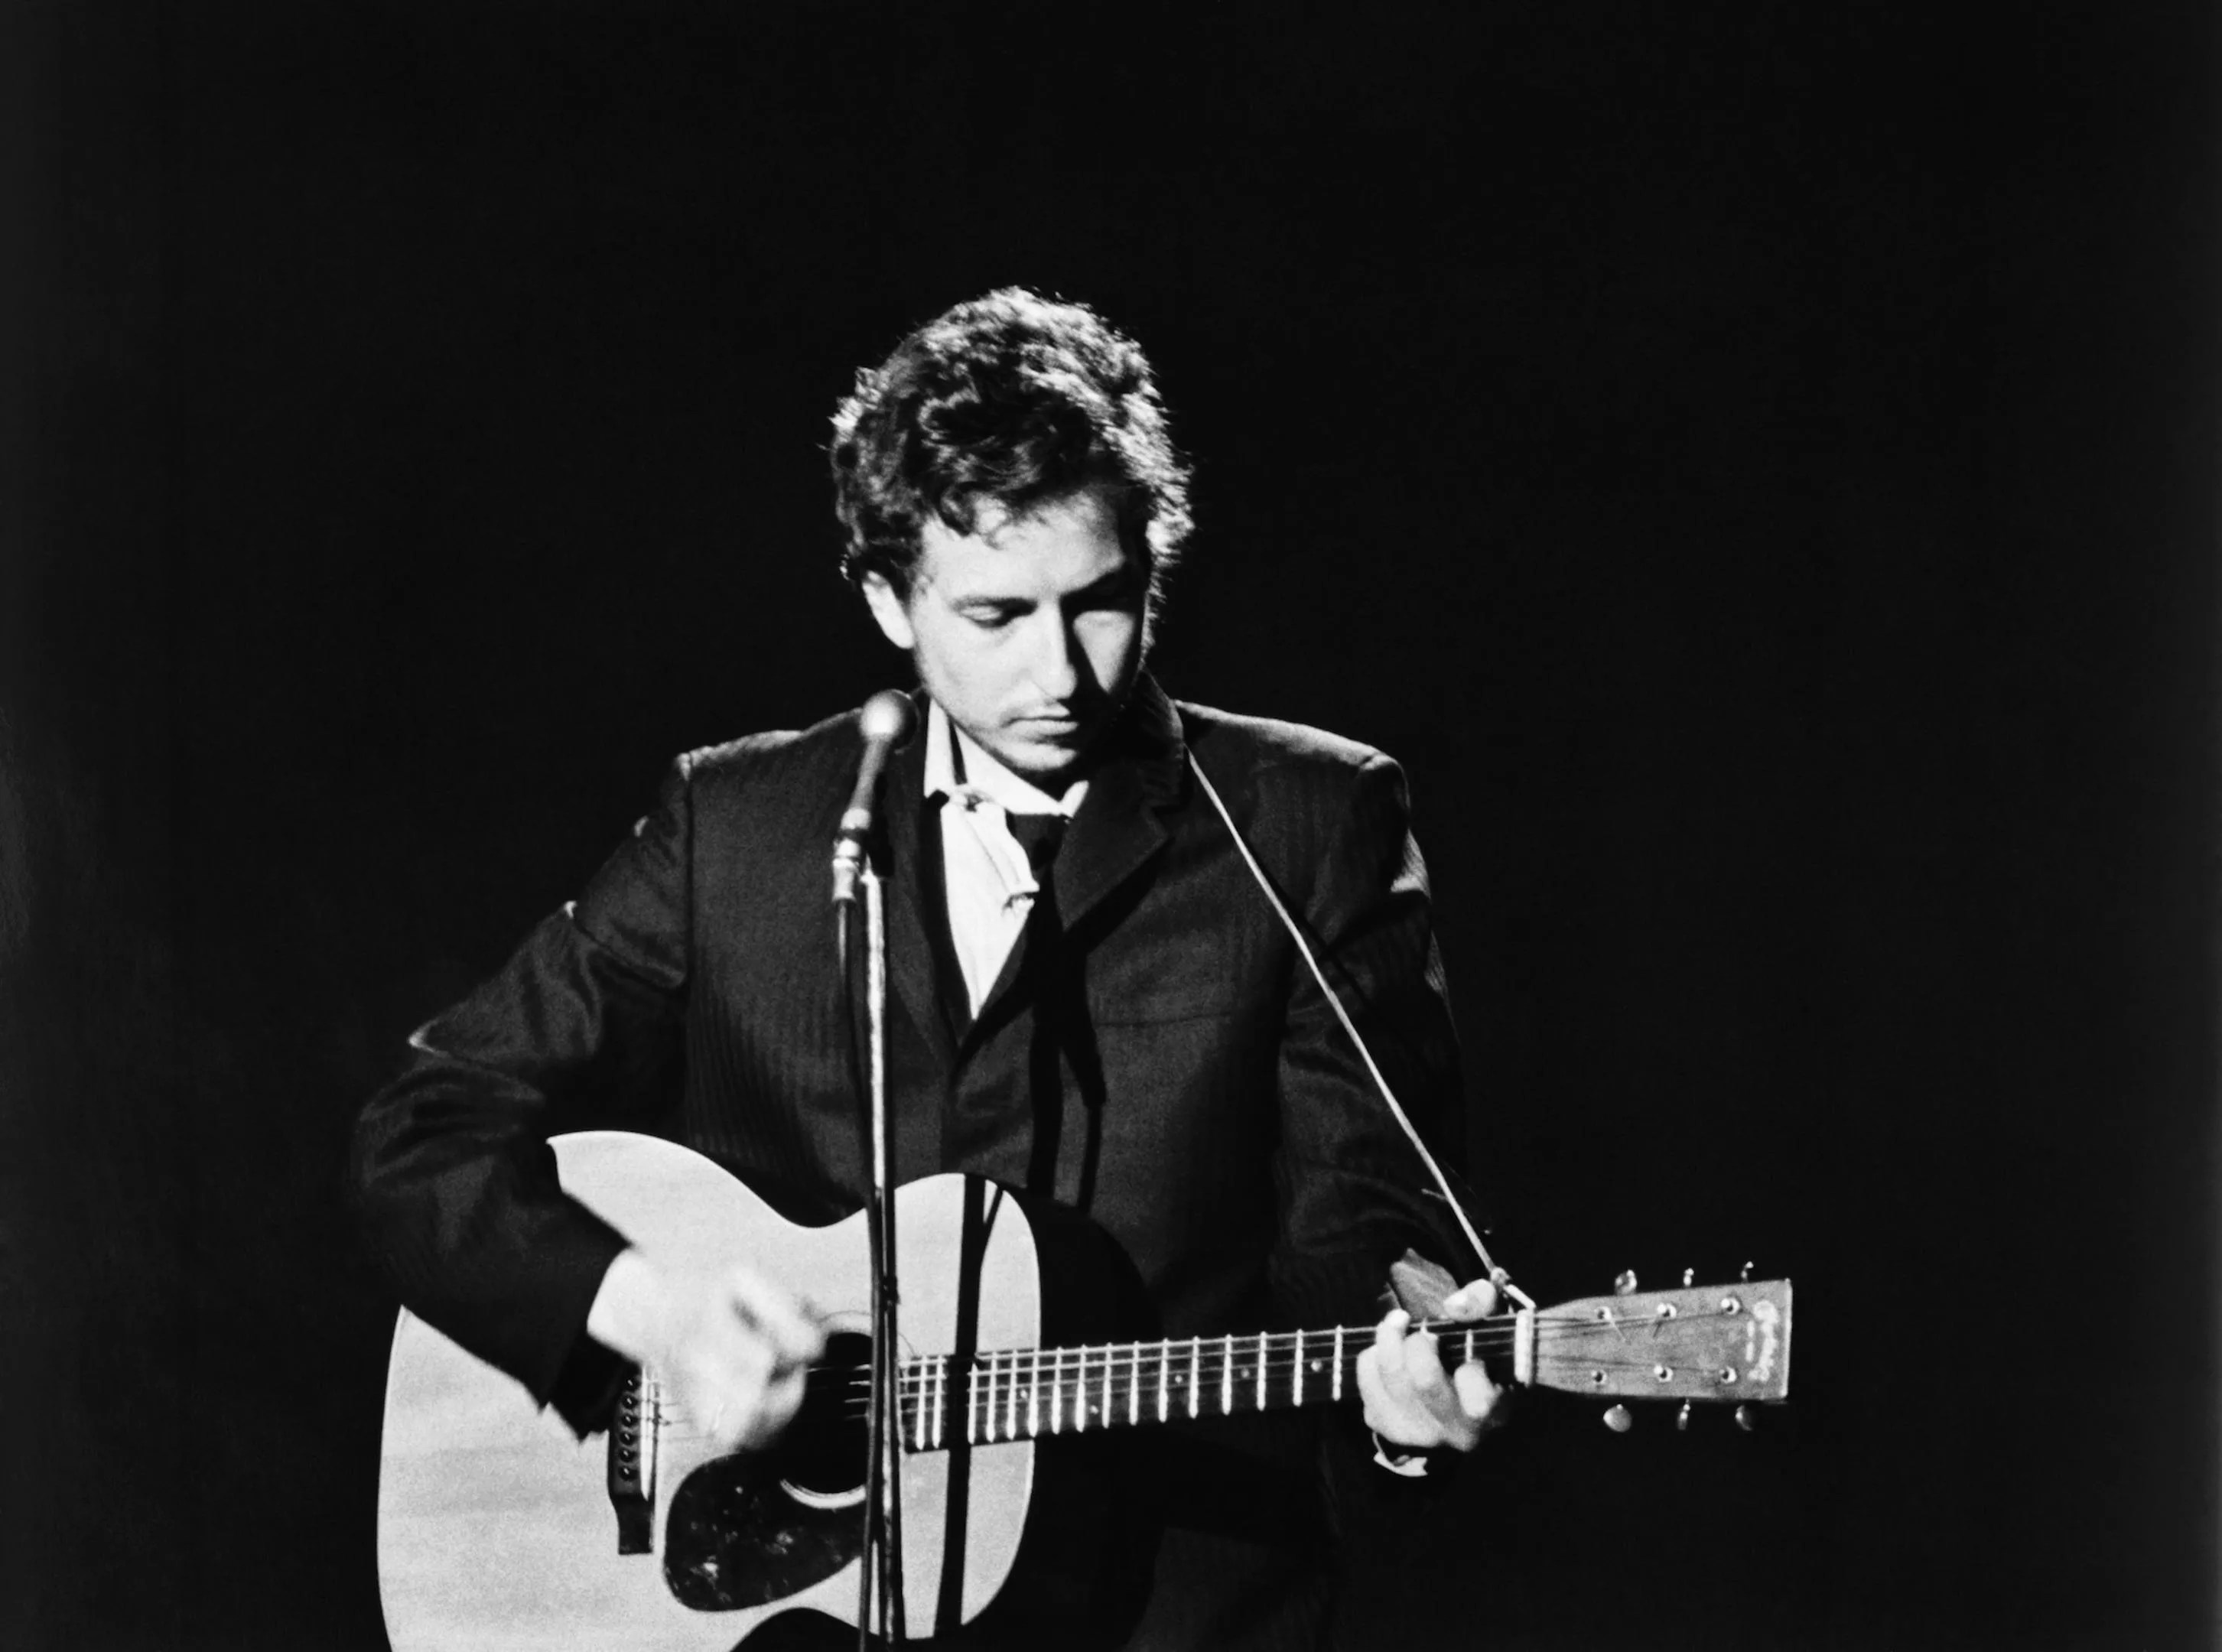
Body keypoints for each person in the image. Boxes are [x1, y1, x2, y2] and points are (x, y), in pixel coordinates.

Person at [351, 288, 1503, 1650]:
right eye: (996, 615)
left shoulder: (1305, 821)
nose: (1060, 672)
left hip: (1169, 1612)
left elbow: (1367, 1240)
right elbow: (421, 1138)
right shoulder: (743, 826)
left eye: (1102, 606)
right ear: (889, 600)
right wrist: (653, 1318)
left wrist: (1406, 1394)